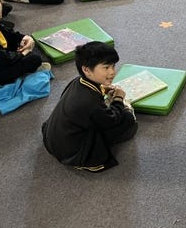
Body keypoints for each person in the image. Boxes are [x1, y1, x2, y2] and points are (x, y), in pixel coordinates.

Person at [42, 41, 137, 172]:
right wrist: (118, 99)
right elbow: (112, 120)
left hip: (53, 139)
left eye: (113, 66)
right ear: (86, 69)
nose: (112, 72)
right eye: (106, 68)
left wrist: (103, 90)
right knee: (128, 120)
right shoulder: (89, 103)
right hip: (73, 153)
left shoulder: (77, 81)